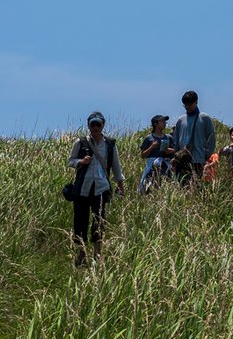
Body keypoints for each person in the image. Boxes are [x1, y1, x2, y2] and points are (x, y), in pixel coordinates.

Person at [67, 111, 125, 267]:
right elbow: (70, 161)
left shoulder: (110, 144)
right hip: (82, 188)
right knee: (80, 222)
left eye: (98, 124)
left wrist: (120, 184)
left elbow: (116, 166)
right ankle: (81, 255)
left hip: (101, 187)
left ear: (103, 125)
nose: (95, 127)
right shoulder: (80, 142)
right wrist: (81, 162)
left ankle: (97, 256)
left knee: (99, 221)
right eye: (92, 124)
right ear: (88, 125)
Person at [171, 90, 217, 187]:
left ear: (196, 102)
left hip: (198, 159)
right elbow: (176, 140)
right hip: (182, 159)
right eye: (185, 105)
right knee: (181, 186)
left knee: (196, 186)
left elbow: (211, 137)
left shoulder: (204, 118)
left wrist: (207, 154)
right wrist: (175, 156)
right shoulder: (181, 120)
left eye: (190, 104)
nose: (188, 107)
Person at [138, 114, 177, 192]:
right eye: (162, 121)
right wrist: (152, 147)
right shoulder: (148, 138)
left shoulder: (169, 137)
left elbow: (176, 151)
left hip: (166, 165)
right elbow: (143, 155)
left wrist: (169, 150)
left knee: (168, 186)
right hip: (152, 166)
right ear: (155, 124)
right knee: (149, 187)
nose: (165, 123)